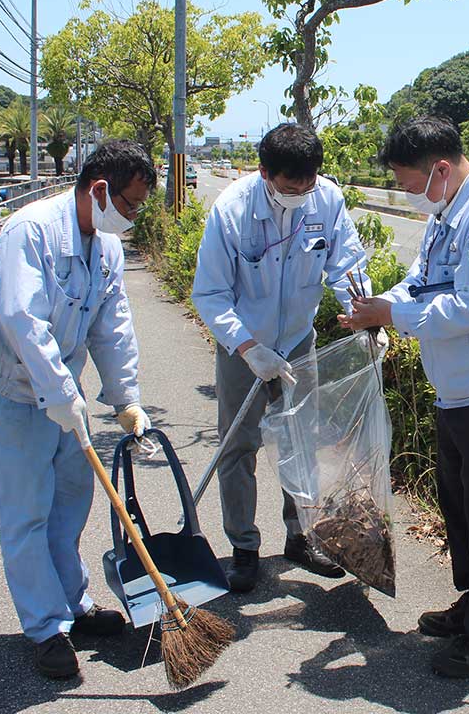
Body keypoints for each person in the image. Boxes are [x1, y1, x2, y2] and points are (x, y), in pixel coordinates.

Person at [340, 116, 469, 679]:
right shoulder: (447, 211)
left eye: (409, 183)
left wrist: (394, 315)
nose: (407, 194)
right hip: (458, 391)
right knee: (460, 510)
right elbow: (421, 278)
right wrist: (382, 302)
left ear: (441, 169)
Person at [0, 139, 157, 679]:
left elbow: (113, 326)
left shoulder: (108, 249)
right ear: (99, 189)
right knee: (25, 515)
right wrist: (58, 393)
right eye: (129, 204)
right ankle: (46, 627)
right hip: (14, 397)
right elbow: (22, 321)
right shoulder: (30, 233)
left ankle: (73, 604)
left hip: (65, 400)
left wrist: (126, 399)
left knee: (69, 508)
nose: (133, 216)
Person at [191, 123, 369, 593]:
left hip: (297, 342)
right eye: (291, 187)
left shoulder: (326, 200)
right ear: (265, 173)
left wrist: (364, 313)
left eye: (308, 183)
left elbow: (346, 264)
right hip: (244, 348)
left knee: (300, 442)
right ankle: (244, 548)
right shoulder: (231, 211)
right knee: (238, 446)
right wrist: (249, 349)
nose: (301, 193)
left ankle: (300, 536)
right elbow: (209, 293)